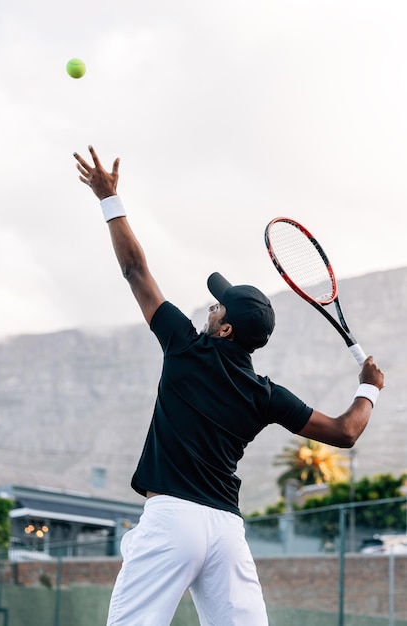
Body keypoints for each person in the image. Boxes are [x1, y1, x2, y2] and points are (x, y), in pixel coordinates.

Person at [73, 146, 384, 626]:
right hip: (224, 530)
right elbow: (346, 432)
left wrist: (109, 199)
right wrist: (369, 388)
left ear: (225, 330)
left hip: (172, 519)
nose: (210, 307)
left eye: (218, 308)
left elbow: (136, 271)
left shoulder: (184, 345)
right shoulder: (266, 394)